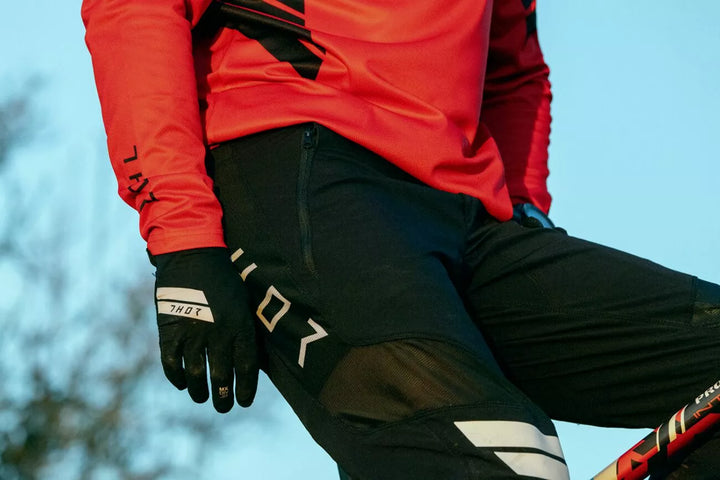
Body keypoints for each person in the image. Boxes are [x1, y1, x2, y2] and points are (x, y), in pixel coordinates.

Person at [81, 0, 720, 478]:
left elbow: (513, 67)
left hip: (470, 217)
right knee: (503, 456)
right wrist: (185, 237)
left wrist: (524, 208)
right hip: (301, 169)